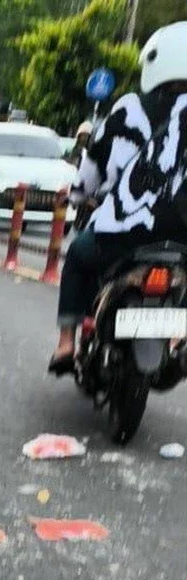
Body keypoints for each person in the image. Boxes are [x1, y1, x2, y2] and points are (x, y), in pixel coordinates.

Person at [50, 21, 187, 374]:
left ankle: (65, 344)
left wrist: (78, 194)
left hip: (125, 232)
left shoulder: (131, 108)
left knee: (78, 257)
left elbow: (94, 165)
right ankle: (178, 340)